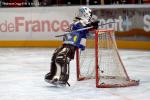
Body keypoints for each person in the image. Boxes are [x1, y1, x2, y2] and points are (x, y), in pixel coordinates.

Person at [44, 7, 99, 86]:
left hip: (73, 43)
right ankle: (53, 74)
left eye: (81, 13)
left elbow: (87, 28)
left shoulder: (84, 22)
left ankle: (63, 77)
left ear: (86, 14)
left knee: (62, 57)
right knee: (55, 55)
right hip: (67, 42)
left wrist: (92, 25)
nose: (78, 14)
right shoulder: (76, 22)